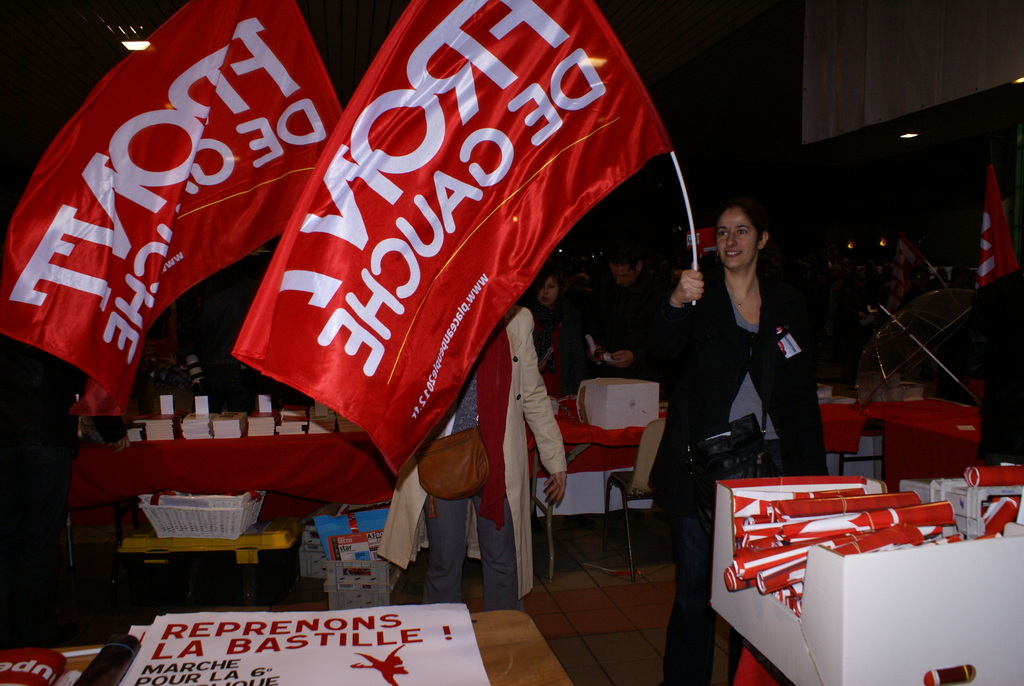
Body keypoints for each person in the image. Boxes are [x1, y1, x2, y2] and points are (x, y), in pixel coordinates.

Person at [647, 198, 826, 686]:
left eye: (742, 231)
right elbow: (661, 349)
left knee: (757, 596)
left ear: (762, 240)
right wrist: (675, 303)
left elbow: (801, 396)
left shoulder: (787, 302)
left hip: (768, 472)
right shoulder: (697, 296)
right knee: (694, 594)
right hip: (700, 470)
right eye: (722, 232)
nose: (730, 241)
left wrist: (815, 481)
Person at [379, 307, 567, 610]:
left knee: (503, 558)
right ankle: (443, 641)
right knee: (444, 560)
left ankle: (505, 642)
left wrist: (555, 458)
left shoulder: (517, 319)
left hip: (498, 458)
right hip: (443, 455)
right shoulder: (433, 313)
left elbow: (532, 393)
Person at [0, 334, 128, 649]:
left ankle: (5, 631)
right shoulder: (51, 317)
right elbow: (87, 371)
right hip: (46, 432)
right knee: (39, 537)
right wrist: (111, 428)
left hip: (2, 436)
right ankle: (36, 630)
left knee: (4, 537)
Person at [966, 267, 1024, 464]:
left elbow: (975, 360)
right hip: (1007, 412)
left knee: (1004, 488)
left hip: (1005, 414)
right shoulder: (992, 293)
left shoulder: (991, 293)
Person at [584, 240, 663, 381]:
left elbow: (662, 336)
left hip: (641, 374)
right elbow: (593, 320)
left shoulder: (655, 291)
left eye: (623, 275)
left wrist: (636, 356)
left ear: (638, 266)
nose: (618, 281)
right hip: (606, 369)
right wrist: (594, 346)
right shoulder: (605, 285)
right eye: (614, 274)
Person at [525, 261, 588, 398]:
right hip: (531, 392)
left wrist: (579, 391)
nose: (545, 292)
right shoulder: (525, 316)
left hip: (562, 390)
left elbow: (576, 357)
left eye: (551, 286)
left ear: (560, 288)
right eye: (541, 286)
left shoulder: (569, 316)